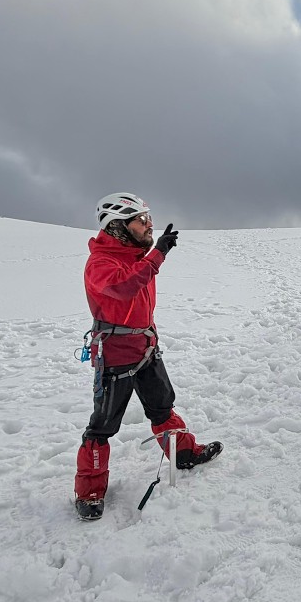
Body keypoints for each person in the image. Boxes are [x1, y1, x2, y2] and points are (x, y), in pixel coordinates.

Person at [74, 193, 222, 521]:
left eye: (148, 217)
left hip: (145, 349)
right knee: (102, 426)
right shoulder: (101, 262)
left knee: (162, 406)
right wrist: (158, 254)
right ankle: (90, 490)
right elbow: (126, 286)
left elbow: (139, 280)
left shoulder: (134, 255)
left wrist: (153, 254)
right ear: (118, 225)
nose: (149, 224)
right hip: (114, 356)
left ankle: (182, 453)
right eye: (141, 219)